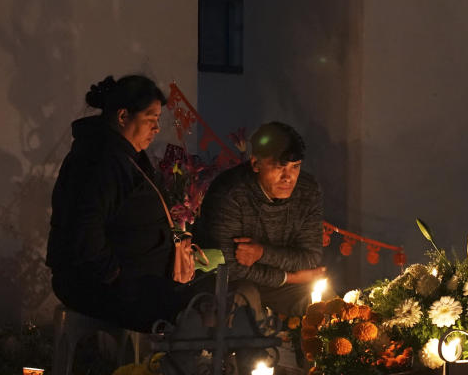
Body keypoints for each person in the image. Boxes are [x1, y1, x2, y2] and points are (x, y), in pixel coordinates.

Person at [46, 75, 210, 332]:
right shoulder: (99, 161)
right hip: (99, 285)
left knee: (219, 296)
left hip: (140, 279)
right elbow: (85, 233)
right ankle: (166, 370)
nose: (156, 129)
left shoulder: (126, 157)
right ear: (123, 117)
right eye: (151, 119)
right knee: (192, 315)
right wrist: (119, 279)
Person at [196, 121, 327, 318]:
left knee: (328, 308)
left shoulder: (307, 190)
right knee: (243, 303)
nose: (288, 177)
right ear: (256, 163)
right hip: (233, 283)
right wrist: (288, 277)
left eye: (295, 167)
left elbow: (310, 257)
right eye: (279, 167)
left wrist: (262, 253)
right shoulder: (229, 192)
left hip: (278, 283)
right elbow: (229, 267)